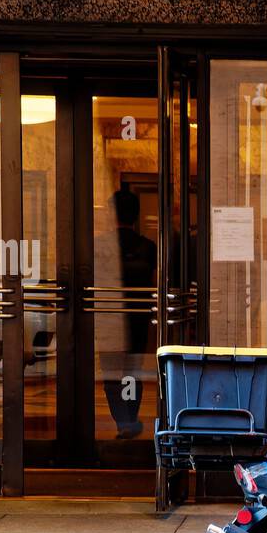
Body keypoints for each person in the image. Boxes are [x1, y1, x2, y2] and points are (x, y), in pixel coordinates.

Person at [96, 185, 157, 439]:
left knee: (111, 374)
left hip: (108, 316)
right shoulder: (148, 246)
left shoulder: (98, 245)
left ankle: (123, 422)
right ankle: (130, 418)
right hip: (138, 320)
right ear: (136, 215)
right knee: (132, 372)